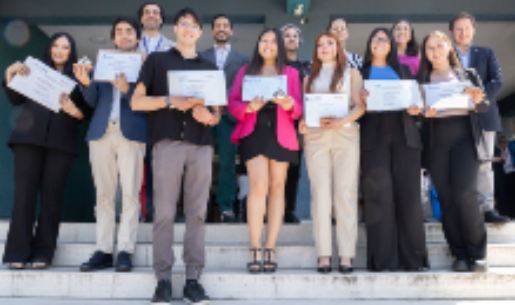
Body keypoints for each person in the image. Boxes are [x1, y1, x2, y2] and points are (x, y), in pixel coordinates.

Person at [131, 8, 220, 305]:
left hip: (201, 145)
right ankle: (164, 281)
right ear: (176, 28)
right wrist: (170, 100)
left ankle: (193, 280)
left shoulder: (210, 67)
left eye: (194, 26)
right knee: (165, 214)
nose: (189, 29)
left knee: (197, 214)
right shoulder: (157, 61)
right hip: (167, 144)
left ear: (200, 32)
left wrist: (208, 115)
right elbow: (137, 101)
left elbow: (217, 115)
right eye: (184, 24)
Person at [2, 33, 91, 270]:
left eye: (65, 47)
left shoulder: (80, 78)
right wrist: (9, 73)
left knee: (52, 198)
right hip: (28, 140)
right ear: (49, 48)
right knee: (24, 196)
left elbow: (86, 113)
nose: (60, 50)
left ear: (71, 51)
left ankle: (43, 254)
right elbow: (14, 98)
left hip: (61, 144)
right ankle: (16, 253)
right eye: (56, 46)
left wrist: (73, 110)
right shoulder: (33, 70)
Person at [74, 17, 147, 273]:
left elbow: (147, 102)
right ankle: (104, 249)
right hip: (101, 133)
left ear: (138, 38)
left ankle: (125, 249)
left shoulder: (146, 67)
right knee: (103, 195)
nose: (125, 35)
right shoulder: (99, 65)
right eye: (119, 32)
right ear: (114, 38)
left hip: (132, 132)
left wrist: (127, 89)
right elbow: (93, 101)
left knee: (130, 195)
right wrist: (85, 84)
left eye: (130, 31)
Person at [228, 28, 302, 274]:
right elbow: (232, 104)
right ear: (258, 44)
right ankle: (254, 246)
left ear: (280, 46)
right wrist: (249, 106)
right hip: (254, 131)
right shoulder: (245, 71)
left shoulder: (291, 73)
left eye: (273, 41)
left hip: (281, 133)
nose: (268, 45)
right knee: (258, 185)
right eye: (264, 40)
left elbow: (300, 107)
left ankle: (270, 246)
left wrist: (290, 103)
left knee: (277, 186)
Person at [418, 30, 489, 272]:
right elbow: (416, 116)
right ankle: (458, 253)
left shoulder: (467, 74)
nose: (435, 51)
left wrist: (479, 99)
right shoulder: (422, 80)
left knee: (465, 194)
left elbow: (484, 106)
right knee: (446, 199)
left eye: (439, 45)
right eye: (429, 47)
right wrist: (421, 114)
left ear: (449, 47)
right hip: (436, 140)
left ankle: (477, 253)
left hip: (464, 141)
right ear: (424, 53)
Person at [360, 28, 429, 272]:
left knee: (409, 197)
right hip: (373, 136)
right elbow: (353, 112)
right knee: (379, 198)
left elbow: (417, 105)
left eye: (384, 39)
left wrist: (415, 108)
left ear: (391, 45)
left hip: (405, 135)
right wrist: (361, 103)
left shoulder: (405, 71)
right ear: (370, 44)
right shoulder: (360, 73)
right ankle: (383, 260)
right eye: (375, 38)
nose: (379, 42)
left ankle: (414, 258)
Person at [299, 32, 365, 273]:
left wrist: (342, 121)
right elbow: (306, 113)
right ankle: (324, 255)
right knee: (321, 195)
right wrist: (302, 124)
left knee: (345, 193)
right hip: (316, 137)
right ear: (315, 51)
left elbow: (360, 106)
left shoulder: (352, 73)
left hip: (346, 135)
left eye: (330, 43)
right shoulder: (308, 78)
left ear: (338, 48)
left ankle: (346, 255)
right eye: (320, 45)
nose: (324, 47)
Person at [449, 12, 509, 223]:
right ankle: (459, 209)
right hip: (454, 117)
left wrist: (480, 95)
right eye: (458, 28)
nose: (462, 32)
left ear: (473, 30)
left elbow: (498, 81)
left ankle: (486, 209)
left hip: (483, 114)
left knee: (484, 163)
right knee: (456, 164)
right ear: (451, 32)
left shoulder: (487, 53)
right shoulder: (444, 55)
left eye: (466, 28)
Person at [200, 14, 250, 223]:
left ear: (231, 31)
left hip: (230, 117)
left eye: (225, 26)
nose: (221, 29)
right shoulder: (200, 56)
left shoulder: (243, 59)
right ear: (212, 31)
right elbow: (197, 83)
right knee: (199, 162)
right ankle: (198, 207)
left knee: (228, 163)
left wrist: (221, 99)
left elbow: (244, 86)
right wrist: (211, 102)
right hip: (203, 116)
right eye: (217, 26)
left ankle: (226, 207)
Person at [137, 1, 176, 223]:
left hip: (162, 112)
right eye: (147, 13)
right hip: (133, 110)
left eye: (156, 13)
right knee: (133, 165)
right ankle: (135, 213)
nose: (151, 16)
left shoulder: (173, 47)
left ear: (161, 19)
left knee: (158, 166)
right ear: (142, 18)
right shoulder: (130, 44)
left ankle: (155, 212)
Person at [280, 23, 310, 224]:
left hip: (297, 124)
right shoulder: (272, 65)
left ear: (299, 41)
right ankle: (269, 210)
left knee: (293, 169)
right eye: (286, 35)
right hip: (275, 123)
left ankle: (288, 210)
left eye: (294, 36)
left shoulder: (307, 67)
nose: (291, 38)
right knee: (274, 169)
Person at [493, 136, 509, 216]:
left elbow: (503, 161)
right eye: (502, 141)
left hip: (502, 175)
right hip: (495, 174)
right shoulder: (495, 149)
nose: (504, 143)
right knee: (496, 195)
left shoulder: (500, 150)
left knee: (503, 194)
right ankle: (499, 213)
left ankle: (504, 213)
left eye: (505, 141)